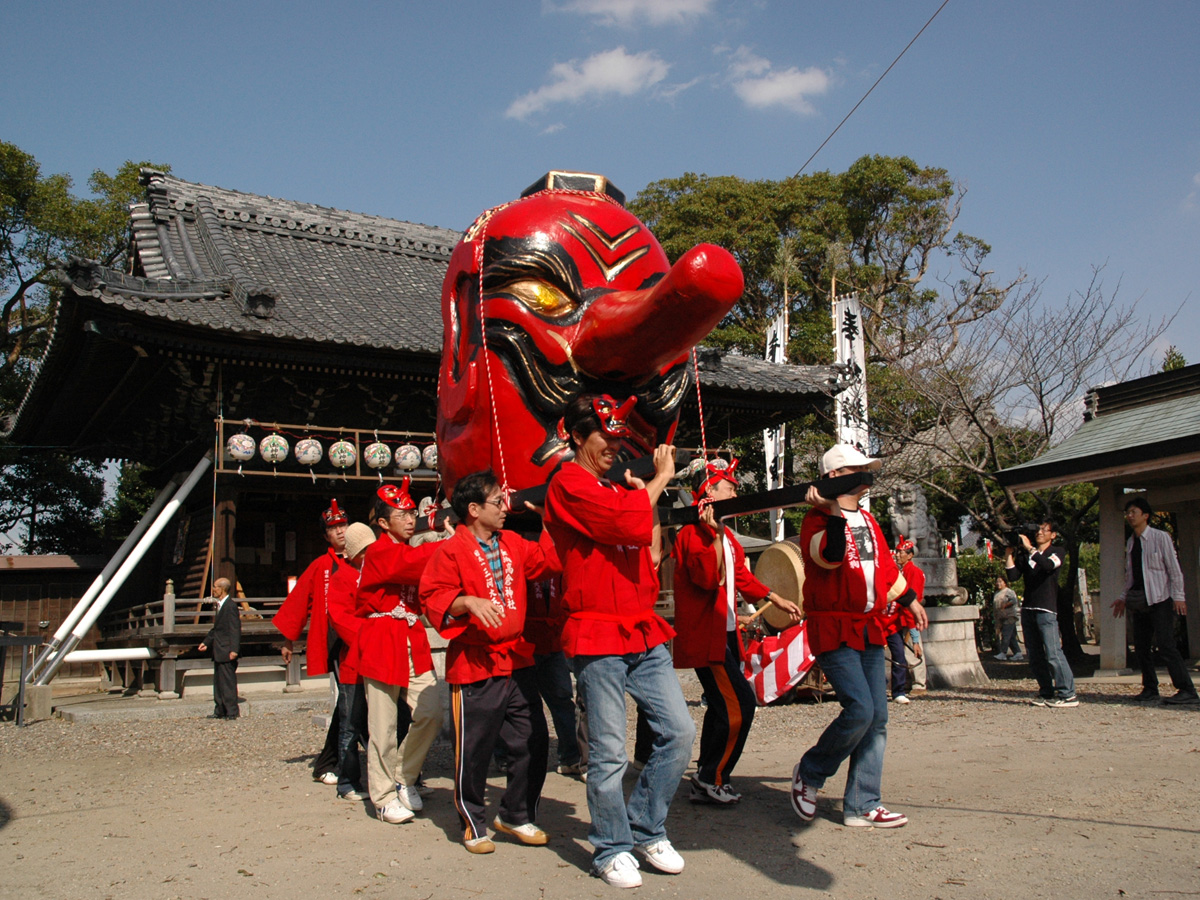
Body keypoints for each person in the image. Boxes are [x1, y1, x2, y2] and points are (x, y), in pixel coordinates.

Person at [543, 393, 695, 889]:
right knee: (608, 751)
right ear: (576, 437)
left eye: (617, 439)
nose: (613, 447)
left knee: (679, 732)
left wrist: (645, 496)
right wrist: (658, 481)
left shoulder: (615, 489)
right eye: (604, 438)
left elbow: (648, 548)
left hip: (640, 625)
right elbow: (620, 522)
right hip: (597, 630)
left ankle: (646, 827)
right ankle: (611, 846)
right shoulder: (566, 482)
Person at [421, 470, 561, 854]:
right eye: (498, 501)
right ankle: (473, 822)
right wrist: (466, 601)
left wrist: (550, 520)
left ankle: (517, 814)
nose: (505, 507)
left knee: (532, 739)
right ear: (473, 509)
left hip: (517, 658)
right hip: (475, 661)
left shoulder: (513, 542)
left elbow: (548, 561)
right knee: (474, 748)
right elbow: (432, 596)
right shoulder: (450, 550)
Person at [789, 444, 927, 829]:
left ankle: (863, 803)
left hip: (869, 625)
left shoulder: (868, 519)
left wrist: (911, 600)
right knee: (861, 709)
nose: (866, 475)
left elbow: (885, 570)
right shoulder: (816, 519)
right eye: (857, 469)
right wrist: (833, 512)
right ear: (835, 476)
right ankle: (810, 772)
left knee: (878, 716)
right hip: (833, 624)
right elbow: (829, 557)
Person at [672, 458, 801, 804]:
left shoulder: (726, 534)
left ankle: (707, 774)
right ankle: (712, 777)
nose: (734, 493)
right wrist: (713, 534)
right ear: (710, 492)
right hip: (707, 633)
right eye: (728, 487)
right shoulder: (692, 533)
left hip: (725, 631)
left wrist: (774, 597)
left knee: (721, 705)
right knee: (739, 704)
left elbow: (740, 576)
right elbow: (707, 577)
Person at [355, 479, 443, 825]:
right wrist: (452, 541)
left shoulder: (406, 551)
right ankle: (382, 797)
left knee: (432, 710)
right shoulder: (379, 551)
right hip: (382, 637)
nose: (410, 520)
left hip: (410, 634)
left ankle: (403, 775)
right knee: (383, 725)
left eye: (411, 514)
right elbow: (413, 563)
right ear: (382, 523)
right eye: (402, 515)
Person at [273, 500, 349, 784]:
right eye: (333, 528)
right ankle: (330, 762)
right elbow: (298, 602)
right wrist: (288, 640)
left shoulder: (364, 558)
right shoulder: (321, 566)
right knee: (349, 699)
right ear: (326, 536)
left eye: (343, 525)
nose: (340, 531)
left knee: (357, 701)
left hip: (366, 637)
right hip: (337, 639)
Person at [1111, 498, 1198, 705]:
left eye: (1133, 512)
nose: (1130, 516)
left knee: (1166, 644)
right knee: (1141, 646)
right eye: (1128, 512)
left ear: (1145, 516)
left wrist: (1179, 596)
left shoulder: (1160, 537)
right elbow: (1131, 575)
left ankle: (1187, 690)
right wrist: (1123, 597)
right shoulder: (1131, 542)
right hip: (1139, 599)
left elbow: (1174, 569)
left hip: (1160, 598)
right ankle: (1150, 688)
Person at [325, 522, 376, 801]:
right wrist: (372, 633)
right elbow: (339, 618)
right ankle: (347, 782)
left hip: (381, 657)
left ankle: (403, 778)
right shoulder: (341, 577)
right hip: (355, 658)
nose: (369, 555)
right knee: (351, 724)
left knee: (389, 721)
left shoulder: (378, 572)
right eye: (364, 551)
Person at [1005, 521, 1077, 708]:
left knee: (1053, 652)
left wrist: (1030, 548)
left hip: (1046, 609)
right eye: (1038, 530)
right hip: (1028, 609)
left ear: (1053, 535)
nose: (1040, 533)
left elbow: (1047, 566)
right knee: (1035, 655)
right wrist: (1009, 554)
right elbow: (1013, 576)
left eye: (1045, 530)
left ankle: (1068, 693)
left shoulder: (1057, 551)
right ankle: (1046, 691)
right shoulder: (1027, 555)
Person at [887, 538, 925, 704]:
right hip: (898, 618)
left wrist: (912, 621)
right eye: (897, 551)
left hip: (908, 616)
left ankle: (919, 683)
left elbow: (911, 598)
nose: (897, 555)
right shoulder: (901, 571)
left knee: (913, 650)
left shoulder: (913, 572)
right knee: (901, 653)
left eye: (901, 552)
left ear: (910, 555)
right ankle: (906, 683)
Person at [198, 577, 240, 719]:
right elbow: (217, 629)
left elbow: (235, 629)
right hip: (218, 649)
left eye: (215, 587)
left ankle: (231, 711)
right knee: (218, 682)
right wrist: (206, 642)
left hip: (227, 649)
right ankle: (220, 710)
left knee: (227, 682)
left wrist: (234, 649)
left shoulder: (230, 606)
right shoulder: (220, 605)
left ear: (222, 589)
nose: (213, 589)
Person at [992, 576, 1023, 660]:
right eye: (997, 582)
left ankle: (1003, 653)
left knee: (1006, 635)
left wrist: (1005, 605)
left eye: (1000, 581)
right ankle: (1018, 653)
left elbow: (1014, 601)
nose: (998, 583)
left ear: (1005, 582)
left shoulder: (1009, 591)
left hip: (1009, 616)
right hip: (1000, 617)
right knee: (1011, 636)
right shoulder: (996, 593)